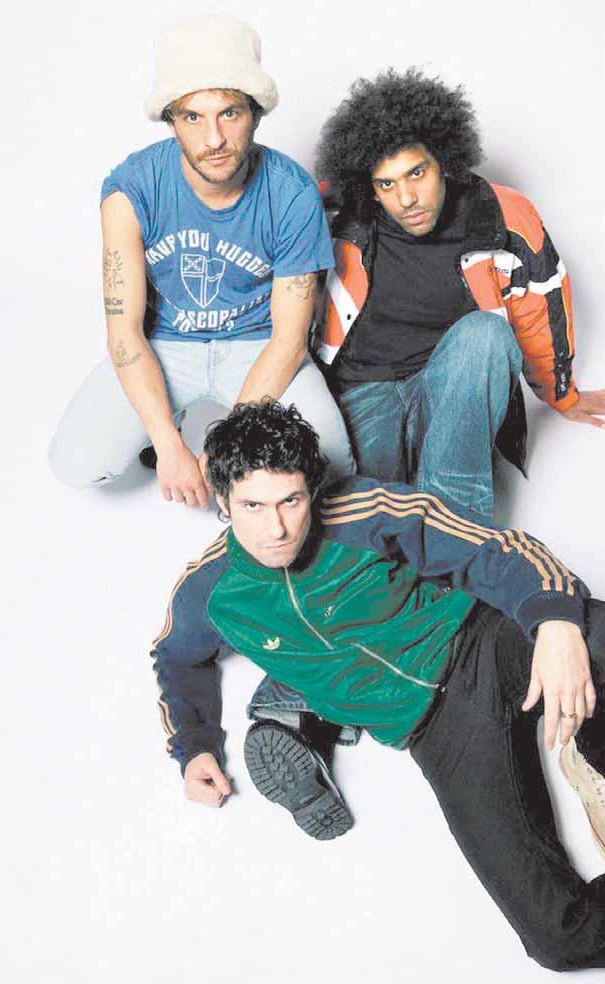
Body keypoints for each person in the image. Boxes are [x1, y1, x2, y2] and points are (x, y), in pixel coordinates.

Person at [152, 399, 605, 971]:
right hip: (438, 732)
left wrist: (555, 621)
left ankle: (594, 748)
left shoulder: (362, 510)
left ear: (311, 489)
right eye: (253, 506)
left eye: (291, 500)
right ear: (223, 500)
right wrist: (194, 747)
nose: (277, 528)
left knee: (591, 633)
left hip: (480, 640)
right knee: (558, 939)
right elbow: (174, 658)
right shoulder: (211, 592)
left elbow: (491, 548)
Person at [48, 15, 353, 508]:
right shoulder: (131, 190)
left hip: (259, 346)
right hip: (165, 346)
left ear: (255, 114)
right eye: (193, 117)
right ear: (171, 121)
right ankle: (160, 422)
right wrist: (168, 444)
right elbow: (124, 334)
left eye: (229, 113)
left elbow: (289, 340)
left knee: (330, 464)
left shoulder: (292, 193)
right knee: (76, 462)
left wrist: (225, 447)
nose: (214, 139)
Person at [311, 68, 605, 521]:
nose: (406, 198)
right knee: (370, 518)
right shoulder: (335, 215)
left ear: (445, 161)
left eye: (417, 173)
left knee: (486, 333)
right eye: (387, 184)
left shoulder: (502, 215)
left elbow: (540, 307)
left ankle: (456, 529)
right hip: (363, 388)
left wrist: (562, 393)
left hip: (453, 387)